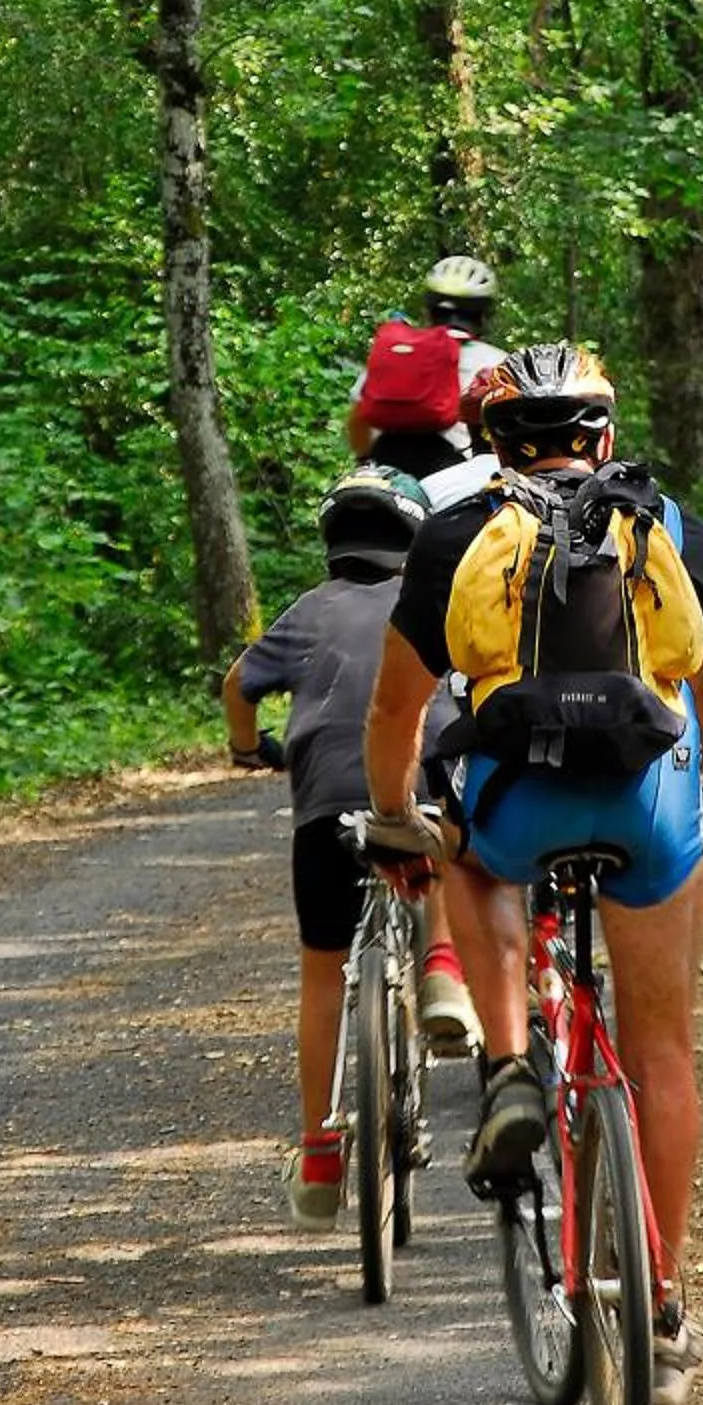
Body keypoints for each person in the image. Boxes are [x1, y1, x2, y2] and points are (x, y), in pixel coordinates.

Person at [359, 345, 703, 1405]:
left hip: (519, 805)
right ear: (602, 436)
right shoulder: (668, 525)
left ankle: (512, 1061)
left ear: (489, 442)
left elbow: (395, 711)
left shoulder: (454, 535)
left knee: (467, 864)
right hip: (648, 805)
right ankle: (659, 1307)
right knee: (663, 1050)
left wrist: (397, 820)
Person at [220, 465, 466, 1229]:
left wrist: (248, 747)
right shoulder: (433, 604)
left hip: (322, 809)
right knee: (456, 840)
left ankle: (321, 1152)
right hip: (415, 785)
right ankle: (445, 973)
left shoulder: (307, 611)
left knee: (323, 973)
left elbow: (239, 685)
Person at [345, 255, 506, 483]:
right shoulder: (496, 362)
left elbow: (358, 419)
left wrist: (364, 460)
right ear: (483, 313)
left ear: (430, 308)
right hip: (458, 480)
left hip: (387, 475)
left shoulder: (398, 352)